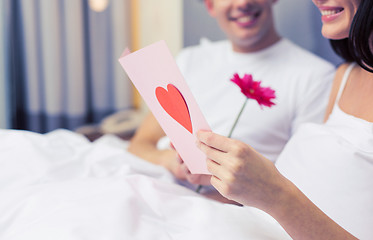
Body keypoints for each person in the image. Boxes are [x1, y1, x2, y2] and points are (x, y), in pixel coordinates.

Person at [194, 0, 373, 238]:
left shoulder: (313, 75)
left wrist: (274, 193)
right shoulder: (345, 76)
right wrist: (224, 175)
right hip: (248, 223)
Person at [128, 0, 335, 182]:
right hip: (155, 186)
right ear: (211, 5)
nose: (242, 2)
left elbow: (302, 183)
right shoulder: (189, 60)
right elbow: (139, 145)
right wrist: (173, 163)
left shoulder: (316, 77)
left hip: (227, 209)